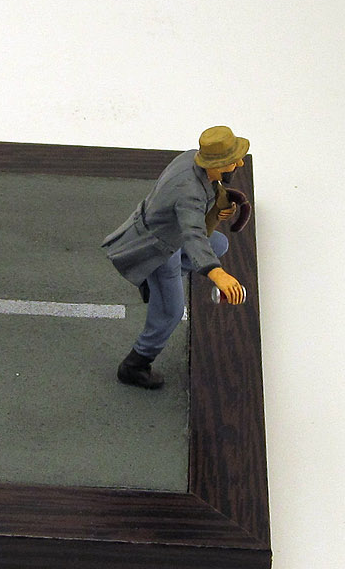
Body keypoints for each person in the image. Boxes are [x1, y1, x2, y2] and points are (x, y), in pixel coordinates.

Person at [102, 125, 249, 389]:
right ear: (216, 164)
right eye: (233, 160)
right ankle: (135, 365)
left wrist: (218, 205)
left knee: (219, 244)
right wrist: (218, 274)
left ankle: (156, 283)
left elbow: (199, 208)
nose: (239, 163)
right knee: (171, 311)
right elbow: (193, 234)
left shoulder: (191, 158)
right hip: (160, 246)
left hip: (171, 232)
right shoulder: (189, 193)